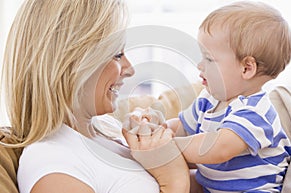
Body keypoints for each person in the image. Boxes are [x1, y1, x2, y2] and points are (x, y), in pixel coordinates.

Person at [0, 0, 190, 193]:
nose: (130, 69)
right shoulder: (54, 167)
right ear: (72, 62)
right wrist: (174, 180)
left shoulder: (106, 131)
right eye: (117, 54)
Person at [123, 1, 291, 192]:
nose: (200, 65)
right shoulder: (208, 100)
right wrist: (157, 129)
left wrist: (166, 148)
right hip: (212, 185)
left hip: (254, 189)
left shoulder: (256, 112)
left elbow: (218, 149)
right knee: (162, 179)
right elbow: (183, 127)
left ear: (246, 68)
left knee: (175, 172)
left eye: (209, 59)